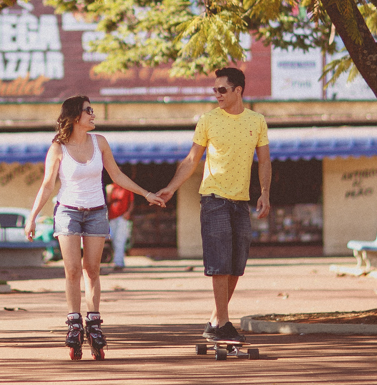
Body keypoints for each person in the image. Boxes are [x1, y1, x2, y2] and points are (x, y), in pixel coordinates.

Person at [25, 96, 164, 358]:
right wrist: (32, 217)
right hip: (67, 211)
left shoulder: (100, 143)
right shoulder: (58, 148)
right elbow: (47, 184)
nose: (93, 114)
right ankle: (74, 323)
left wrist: (146, 194)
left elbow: (117, 176)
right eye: (89, 110)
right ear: (76, 116)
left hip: (97, 212)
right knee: (72, 269)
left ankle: (94, 322)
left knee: (92, 269)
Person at [157, 67, 270, 343]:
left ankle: (215, 321)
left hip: (241, 201)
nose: (216, 94)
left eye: (222, 90)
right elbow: (191, 159)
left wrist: (265, 193)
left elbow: (264, 161)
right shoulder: (208, 120)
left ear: (238, 91)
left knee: (236, 265)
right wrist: (171, 188)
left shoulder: (257, 121)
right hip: (214, 199)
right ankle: (224, 323)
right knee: (219, 263)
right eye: (214, 90)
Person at [106, 182, 134, 271]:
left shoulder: (127, 187)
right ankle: (118, 261)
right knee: (113, 239)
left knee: (120, 240)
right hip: (112, 216)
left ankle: (118, 263)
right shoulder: (112, 187)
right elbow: (109, 201)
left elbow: (132, 202)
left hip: (122, 217)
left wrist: (128, 213)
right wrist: (109, 193)